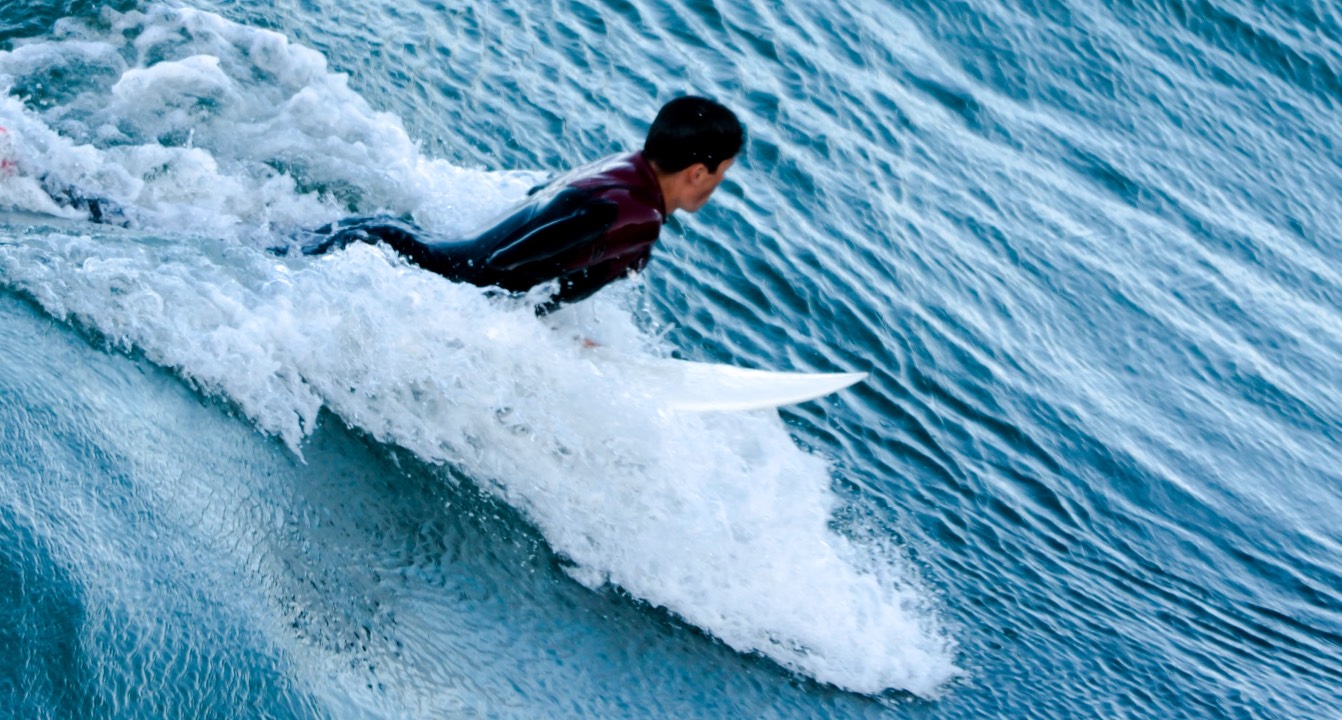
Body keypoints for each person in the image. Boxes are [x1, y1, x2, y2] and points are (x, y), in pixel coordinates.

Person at [299, 96, 744, 314]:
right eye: (723, 171)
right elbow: (507, 262)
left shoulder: (623, 165)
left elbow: (535, 218)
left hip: (401, 239)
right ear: (698, 172)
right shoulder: (639, 218)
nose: (719, 183)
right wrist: (503, 319)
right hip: (419, 266)